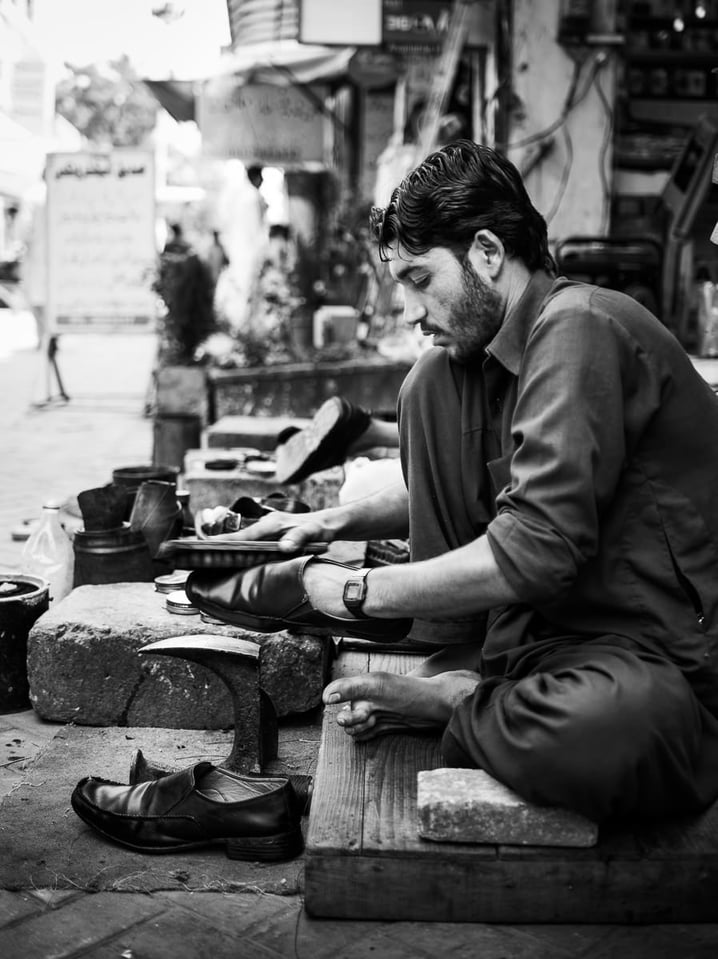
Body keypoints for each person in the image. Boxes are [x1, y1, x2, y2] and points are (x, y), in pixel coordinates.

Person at [214, 139, 718, 825]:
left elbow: (536, 546)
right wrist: (328, 526)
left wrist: (362, 591)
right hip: (538, 638)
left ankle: (460, 697)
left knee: (622, 726)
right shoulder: (491, 362)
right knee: (429, 380)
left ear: (486, 251)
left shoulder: (580, 328)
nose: (413, 309)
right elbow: (487, 497)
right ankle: (467, 661)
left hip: (657, 657)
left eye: (420, 280)